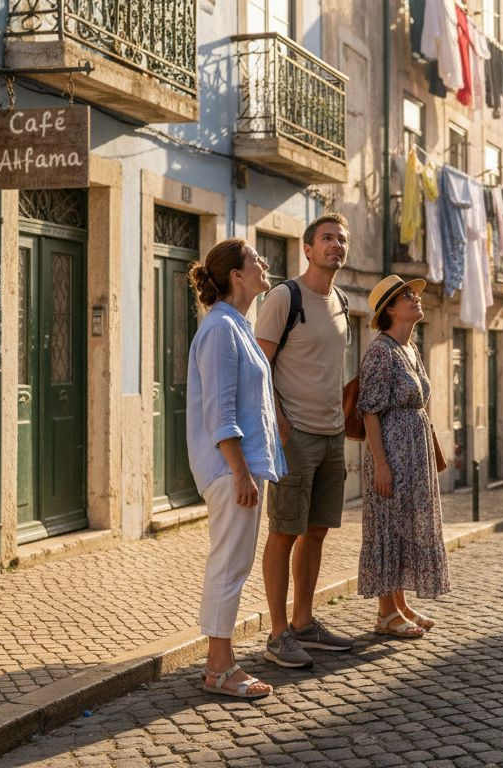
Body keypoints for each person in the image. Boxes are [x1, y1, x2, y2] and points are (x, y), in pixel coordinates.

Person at [254, 213, 356, 669]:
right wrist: (278, 422)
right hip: (295, 435)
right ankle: (277, 635)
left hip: (333, 435)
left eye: (342, 239)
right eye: (328, 238)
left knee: (316, 532)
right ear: (308, 248)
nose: (336, 245)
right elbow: (259, 369)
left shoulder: (342, 301)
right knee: (284, 532)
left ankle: (304, 622)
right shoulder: (284, 297)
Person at [187, 238, 286, 699]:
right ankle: (220, 667)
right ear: (237, 276)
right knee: (228, 565)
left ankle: (219, 663)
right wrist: (241, 471)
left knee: (234, 563)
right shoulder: (222, 329)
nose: (264, 263)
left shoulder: (238, 325)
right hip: (231, 471)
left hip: (242, 467)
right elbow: (219, 411)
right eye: (255, 259)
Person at [357, 275, 450, 638]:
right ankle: (384, 613)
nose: (416, 299)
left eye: (414, 294)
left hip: (415, 449)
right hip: (392, 451)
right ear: (390, 309)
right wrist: (381, 463)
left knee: (406, 525)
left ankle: (400, 604)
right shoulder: (380, 350)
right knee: (387, 526)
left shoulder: (410, 348)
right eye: (407, 296)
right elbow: (369, 410)